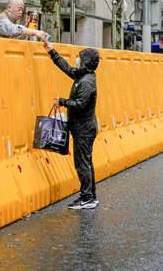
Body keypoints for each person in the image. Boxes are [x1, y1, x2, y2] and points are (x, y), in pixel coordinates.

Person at [43, 37, 100, 210]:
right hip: (83, 127)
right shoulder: (84, 76)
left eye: (80, 58)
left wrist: (62, 101)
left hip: (84, 129)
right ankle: (89, 196)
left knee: (82, 163)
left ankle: (87, 198)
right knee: (86, 162)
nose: (77, 60)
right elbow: (67, 68)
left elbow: (80, 105)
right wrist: (51, 51)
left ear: (86, 62)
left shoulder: (87, 82)